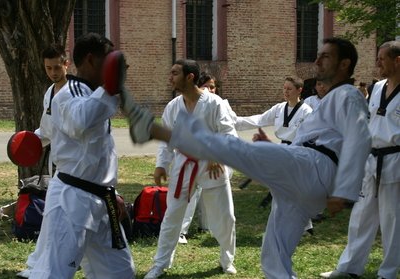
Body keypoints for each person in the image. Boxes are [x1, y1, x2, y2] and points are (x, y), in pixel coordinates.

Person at [114, 37, 372, 278]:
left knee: (241, 153)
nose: (317, 61)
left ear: (344, 64)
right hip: (303, 180)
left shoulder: (347, 95)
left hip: (314, 167)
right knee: (274, 254)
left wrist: (345, 191)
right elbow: (319, 138)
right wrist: (272, 148)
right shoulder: (328, 100)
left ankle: (156, 130)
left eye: (325, 57)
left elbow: (359, 138)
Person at [30, 33, 135, 279]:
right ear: (91, 60)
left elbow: (98, 153)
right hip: (72, 200)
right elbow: (80, 122)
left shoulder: (91, 93)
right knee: (53, 273)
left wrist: (112, 191)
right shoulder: (68, 92)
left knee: (120, 272)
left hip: (102, 199)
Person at [144, 59, 238, 278]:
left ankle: (227, 259)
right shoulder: (173, 106)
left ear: (190, 77)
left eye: (175, 73)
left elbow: (229, 134)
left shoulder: (214, 103)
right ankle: (160, 263)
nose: (170, 77)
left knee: (225, 217)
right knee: (172, 216)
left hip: (213, 165)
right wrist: (161, 165)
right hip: (183, 165)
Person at [320, 40, 400, 279]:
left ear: (398, 61)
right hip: (371, 159)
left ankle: (387, 272)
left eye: (382, 59)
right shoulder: (377, 89)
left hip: (395, 160)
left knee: (392, 220)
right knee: (361, 216)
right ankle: (349, 267)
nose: (377, 63)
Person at [16, 43, 69, 278]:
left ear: (66, 64)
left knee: (70, 216)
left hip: (78, 167)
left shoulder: (77, 92)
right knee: (53, 214)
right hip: (57, 165)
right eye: (48, 68)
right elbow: (46, 131)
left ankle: (55, 262)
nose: (53, 72)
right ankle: (39, 263)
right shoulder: (49, 92)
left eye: (57, 67)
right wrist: (26, 143)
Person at [235, 77, 314, 226]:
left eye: (289, 89)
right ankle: (296, 223)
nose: (286, 92)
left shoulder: (306, 112)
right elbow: (259, 120)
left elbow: (310, 136)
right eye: (284, 88)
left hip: (297, 153)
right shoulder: (279, 108)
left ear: (299, 90)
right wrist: (235, 121)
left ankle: (302, 223)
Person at [179, 72, 219, 244]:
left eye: (213, 86)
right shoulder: (188, 104)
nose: (210, 89)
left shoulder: (217, 104)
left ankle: (206, 225)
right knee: (190, 193)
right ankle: (181, 231)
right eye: (207, 86)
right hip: (192, 156)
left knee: (209, 192)